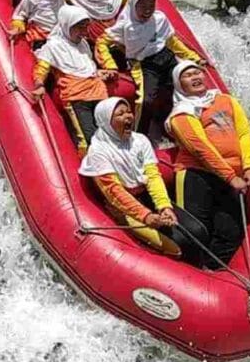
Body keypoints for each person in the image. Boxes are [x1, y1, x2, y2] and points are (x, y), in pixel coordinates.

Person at [78, 97, 207, 259]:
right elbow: (114, 192)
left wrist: (164, 207)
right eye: (120, 114)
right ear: (105, 121)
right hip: (123, 208)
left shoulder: (140, 140)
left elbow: (152, 176)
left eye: (129, 112)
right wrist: (146, 216)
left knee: (198, 230)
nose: (128, 117)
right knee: (179, 244)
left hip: (145, 196)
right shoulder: (98, 151)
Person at [165, 60, 250, 265]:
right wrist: (231, 177)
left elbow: (244, 133)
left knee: (231, 232)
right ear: (179, 85)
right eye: (187, 76)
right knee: (196, 231)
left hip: (229, 176)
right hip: (196, 174)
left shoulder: (226, 100)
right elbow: (201, 149)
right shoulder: (181, 113)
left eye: (197, 72)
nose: (195, 77)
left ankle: (211, 272)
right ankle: (188, 272)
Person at [95, 0, 204, 133]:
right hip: (145, 64)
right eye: (142, 5)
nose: (147, 10)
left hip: (166, 58)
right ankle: (140, 134)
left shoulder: (159, 19)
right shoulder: (125, 26)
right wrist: (110, 65)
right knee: (146, 101)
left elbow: (171, 42)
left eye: (151, 5)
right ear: (133, 5)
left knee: (181, 90)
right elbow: (102, 42)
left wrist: (194, 58)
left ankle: (180, 127)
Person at [31, 5, 116, 154]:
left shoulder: (83, 44)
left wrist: (101, 73)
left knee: (109, 133)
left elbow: (86, 67)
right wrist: (39, 84)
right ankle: (91, 170)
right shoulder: (53, 46)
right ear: (67, 25)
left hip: (98, 92)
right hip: (77, 96)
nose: (84, 32)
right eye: (79, 28)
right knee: (88, 137)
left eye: (85, 27)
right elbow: (42, 68)